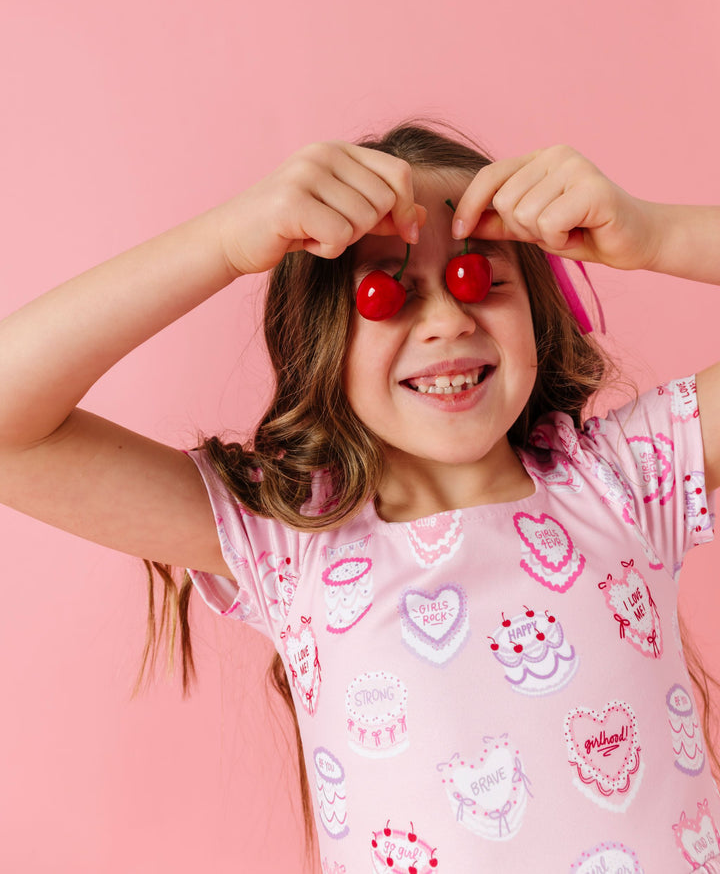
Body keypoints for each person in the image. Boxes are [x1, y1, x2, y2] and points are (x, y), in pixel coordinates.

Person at [1, 122, 719, 873]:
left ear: (537, 305)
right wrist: (222, 244)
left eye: (482, 278)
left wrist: (651, 234)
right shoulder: (288, 537)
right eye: (386, 291)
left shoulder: (626, 480)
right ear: (323, 340)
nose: (447, 320)